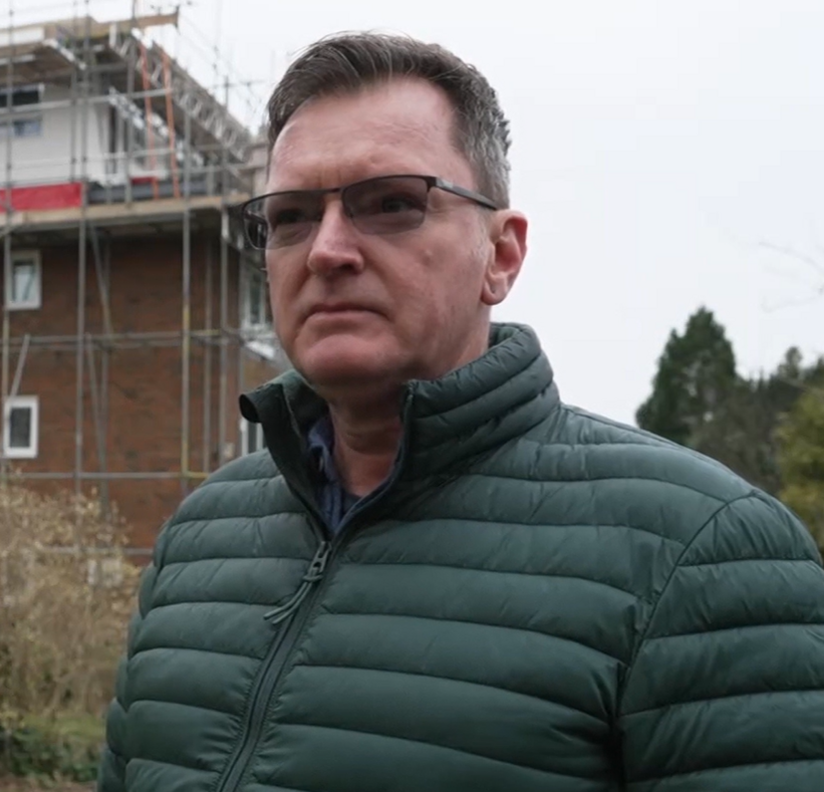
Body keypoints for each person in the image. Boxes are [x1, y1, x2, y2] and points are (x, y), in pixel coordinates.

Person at [97, 31, 824, 792]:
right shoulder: (199, 538)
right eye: (291, 216)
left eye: (391, 204)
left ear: (501, 256)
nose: (327, 249)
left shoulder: (702, 553)